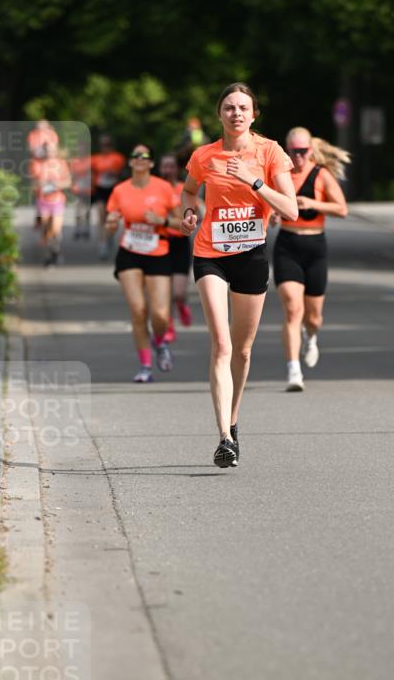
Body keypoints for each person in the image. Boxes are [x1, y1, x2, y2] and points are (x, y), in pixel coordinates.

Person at [180, 83, 297, 468]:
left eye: (243, 108)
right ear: (219, 114)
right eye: (229, 108)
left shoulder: (270, 152)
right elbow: (189, 192)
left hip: (251, 255)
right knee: (222, 344)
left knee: (243, 350)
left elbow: (291, 210)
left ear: (254, 114)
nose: (236, 114)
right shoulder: (204, 155)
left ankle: (233, 419)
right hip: (210, 253)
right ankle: (224, 438)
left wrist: (253, 180)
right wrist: (189, 213)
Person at [273, 127, 349, 391]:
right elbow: (266, 203)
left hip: (315, 246)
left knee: (313, 316)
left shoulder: (321, 174)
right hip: (287, 245)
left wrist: (313, 203)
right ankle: (293, 370)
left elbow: (342, 209)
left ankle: (311, 336)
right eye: (293, 151)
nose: (298, 156)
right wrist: (271, 214)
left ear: (310, 150)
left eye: (303, 151)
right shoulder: (279, 174)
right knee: (293, 308)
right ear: (287, 150)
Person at [105, 144, 180, 382]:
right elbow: (109, 227)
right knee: (138, 311)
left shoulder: (164, 188)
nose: (139, 159)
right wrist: (111, 223)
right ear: (130, 162)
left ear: (151, 163)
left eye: (144, 156)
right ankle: (145, 366)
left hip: (158, 251)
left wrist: (162, 220)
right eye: (135, 155)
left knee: (160, 315)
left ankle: (159, 342)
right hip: (130, 252)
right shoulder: (119, 190)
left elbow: (182, 223)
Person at [158, 153, 193, 343]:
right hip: (160, 243)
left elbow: (192, 212)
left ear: (177, 169)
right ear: (159, 169)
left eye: (171, 166)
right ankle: (169, 326)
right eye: (165, 166)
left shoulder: (183, 189)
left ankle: (182, 304)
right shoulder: (153, 189)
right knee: (165, 293)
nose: (168, 170)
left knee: (178, 293)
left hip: (180, 243)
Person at [29, 141, 72, 266]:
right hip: (43, 201)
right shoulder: (37, 165)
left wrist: (56, 185)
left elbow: (68, 182)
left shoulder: (61, 164)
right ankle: (49, 253)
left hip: (57, 200)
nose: (49, 152)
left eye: (52, 150)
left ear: (56, 151)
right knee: (46, 228)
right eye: (47, 150)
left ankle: (55, 250)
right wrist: (40, 185)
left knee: (56, 228)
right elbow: (33, 184)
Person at [92, 134, 126, 259]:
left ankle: (110, 236)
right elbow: (92, 174)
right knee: (101, 217)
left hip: (113, 190)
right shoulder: (95, 159)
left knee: (111, 218)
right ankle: (102, 245)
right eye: (102, 145)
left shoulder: (118, 158)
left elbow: (124, 174)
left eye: (107, 145)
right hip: (100, 189)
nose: (105, 147)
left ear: (111, 145)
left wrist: (115, 174)